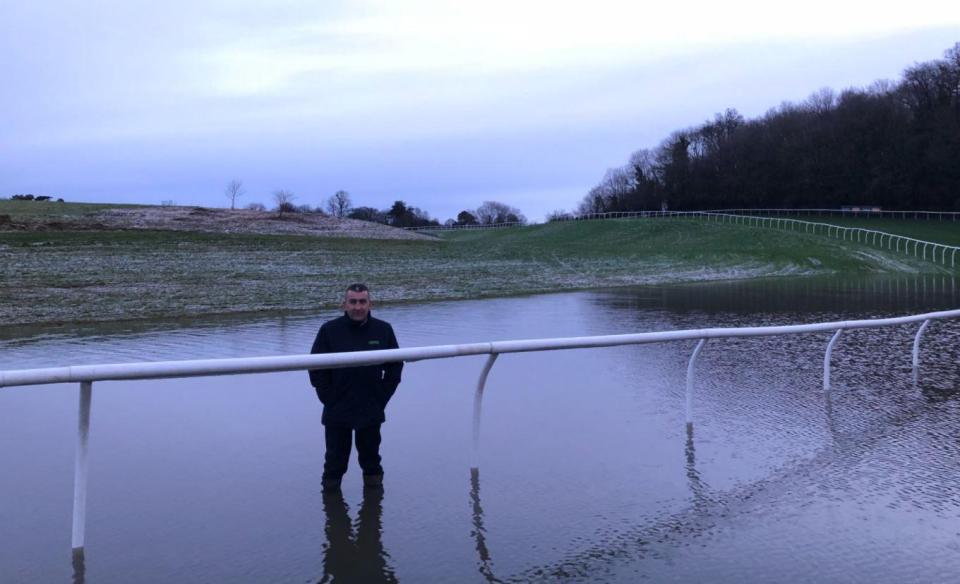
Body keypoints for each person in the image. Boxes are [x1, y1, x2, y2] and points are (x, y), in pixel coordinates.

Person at [309, 283, 402, 493]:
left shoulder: (383, 329)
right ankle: (331, 502)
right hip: (337, 409)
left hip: (371, 408)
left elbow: (395, 367)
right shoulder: (329, 330)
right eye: (353, 302)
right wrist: (329, 398)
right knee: (334, 462)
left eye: (362, 302)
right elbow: (315, 368)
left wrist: (381, 397)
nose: (357, 307)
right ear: (344, 304)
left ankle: (372, 513)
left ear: (370, 304)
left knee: (371, 460)